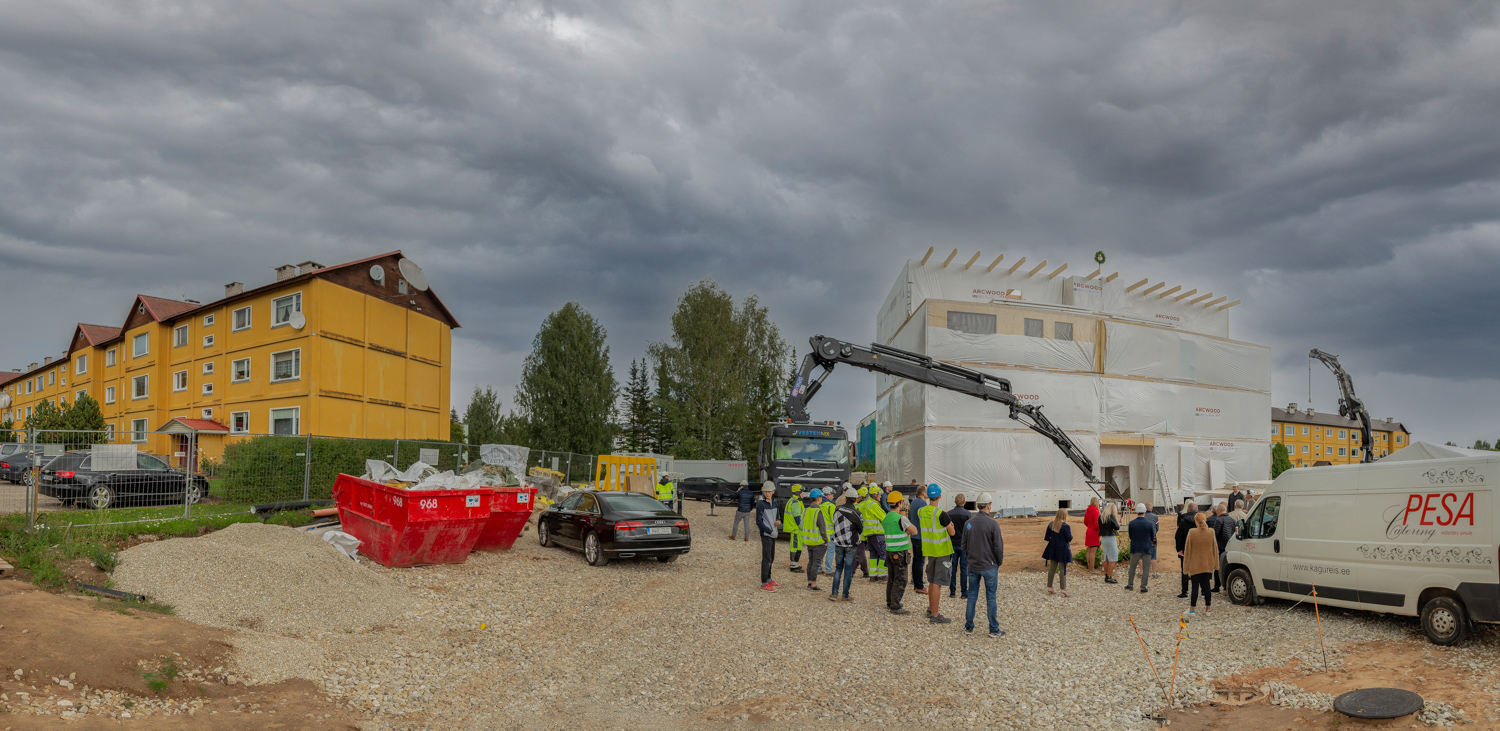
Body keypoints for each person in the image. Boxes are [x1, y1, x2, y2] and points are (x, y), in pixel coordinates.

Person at [962, 492, 1006, 637]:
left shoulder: (969, 523)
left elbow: (964, 545)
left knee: (972, 595)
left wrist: (970, 557)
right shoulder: (993, 524)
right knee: (991, 597)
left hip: (973, 565)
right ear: (988, 506)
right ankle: (993, 629)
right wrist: (998, 562)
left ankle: (968, 627)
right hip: (989, 566)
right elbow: (998, 547)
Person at [916, 484, 957, 624]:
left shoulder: (921, 511)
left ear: (927, 496)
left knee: (932, 581)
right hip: (942, 551)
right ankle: (935, 614)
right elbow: (952, 532)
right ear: (940, 496)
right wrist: (950, 526)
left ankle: (930, 609)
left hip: (929, 550)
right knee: (937, 583)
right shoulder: (941, 514)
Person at [882, 491, 919, 614]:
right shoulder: (901, 518)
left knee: (892, 578)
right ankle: (895, 606)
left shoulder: (886, 517)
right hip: (900, 553)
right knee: (901, 579)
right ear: (899, 503)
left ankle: (890, 602)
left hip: (889, 551)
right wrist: (906, 531)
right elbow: (914, 531)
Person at [830, 487, 864, 602]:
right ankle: (845, 595)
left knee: (838, 568)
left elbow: (834, 524)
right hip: (850, 545)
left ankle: (834, 593)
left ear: (845, 498)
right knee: (848, 570)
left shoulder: (837, 509)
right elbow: (860, 529)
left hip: (838, 543)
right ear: (855, 499)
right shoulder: (856, 513)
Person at [1184, 511, 1218, 616]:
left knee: (1195, 587)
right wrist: (1216, 564)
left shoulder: (1192, 532)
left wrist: (1185, 568)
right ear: (1205, 520)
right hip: (1208, 563)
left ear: (1196, 521)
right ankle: (1208, 609)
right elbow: (1215, 549)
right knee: (1207, 586)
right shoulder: (1211, 532)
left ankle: (1192, 610)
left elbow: (1187, 551)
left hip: (1195, 564)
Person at [800, 488, 830, 591]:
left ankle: (809, 582)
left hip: (809, 541)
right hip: (818, 541)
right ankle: (813, 584)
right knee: (816, 563)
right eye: (821, 497)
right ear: (818, 498)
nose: (821, 499)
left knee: (811, 561)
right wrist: (826, 540)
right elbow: (822, 528)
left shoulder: (807, 510)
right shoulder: (818, 511)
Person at [1123, 503, 1156, 593]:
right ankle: (1143, 587)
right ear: (1145, 511)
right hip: (1146, 548)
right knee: (1146, 568)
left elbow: (1131, 536)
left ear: (1136, 512)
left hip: (1135, 547)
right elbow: (1152, 536)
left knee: (1132, 567)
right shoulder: (1149, 523)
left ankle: (1130, 585)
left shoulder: (1132, 523)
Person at [755, 482, 782, 592]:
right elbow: (759, 522)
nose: (767, 493)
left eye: (769, 491)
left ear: (773, 491)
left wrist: (778, 522)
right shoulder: (761, 504)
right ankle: (764, 583)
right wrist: (769, 531)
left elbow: (777, 517)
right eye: (765, 491)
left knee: (771, 557)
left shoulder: (775, 503)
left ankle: (769, 579)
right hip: (767, 534)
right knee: (766, 559)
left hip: (773, 533)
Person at [858, 487, 888, 581]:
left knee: (873, 555)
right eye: (879, 494)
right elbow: (884, 518)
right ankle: (882, 575)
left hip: (869, 534)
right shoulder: (873, 505)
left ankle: (873, 575)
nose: (880, 496)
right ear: (875, 495)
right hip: (877, 533)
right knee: (884, 554)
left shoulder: (866, 503)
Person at [1042, 508, 1073, 597]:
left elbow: (1047, 538)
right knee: (1062, 569)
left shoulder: (1051, 524)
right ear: (1064, 515)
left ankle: (1050, 586)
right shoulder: (1065, 526)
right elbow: (1069, 538)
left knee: (1052, 568)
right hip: (1063, 549)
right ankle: (1063, 589)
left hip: (1053, 549)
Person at [947, 493, 972, 599]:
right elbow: (970, 529)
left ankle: (952, 591)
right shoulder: (967, 514)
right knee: (964, 568)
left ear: (955, 502)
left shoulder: (949, 514)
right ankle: (964, 592)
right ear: (964, 502)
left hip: (952, 544)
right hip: (963, 545)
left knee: (952, 568)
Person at [1208, 502, 1235, 592]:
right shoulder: (1232, 520)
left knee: (1218, 567)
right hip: (1230, 546)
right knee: (1228, 565)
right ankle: (1225, 586)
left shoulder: (1219, 520)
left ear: (1219, 511)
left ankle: (1217, 586)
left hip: (1220, 546)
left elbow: (1215, 533)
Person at [1175, 501, 1199, 599]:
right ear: (1197, 510)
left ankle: (1184, 592)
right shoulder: (1200, 521)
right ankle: (1199, 591)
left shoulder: (1183, 520)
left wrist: (1179, 549)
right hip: (1198, 549)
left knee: (1184, 570)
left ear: (1188, 510)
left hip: (1185, 549)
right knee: (1198, 570)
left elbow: (1178, 536)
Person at [908, 485, 928, 593]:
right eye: (927, 491)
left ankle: (916, 582)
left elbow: (910, 517)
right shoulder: (923, 503)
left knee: (916, 560)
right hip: (920, 536)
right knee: (920, 561)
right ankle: (920, 586)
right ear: (923, 493)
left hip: (914, 535)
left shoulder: (914, 502)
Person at [1097, 501, 1121, 584]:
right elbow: (1117, 527)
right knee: (1114, 558)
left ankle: (1107, 576)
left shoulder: (1101, 517)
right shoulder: (1111, 516)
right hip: (1111, 538)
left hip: (1104, 538)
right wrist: (1118, 524)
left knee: (1106, 557)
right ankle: (1109, 577)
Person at [785, 486, 806, 573]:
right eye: (802, 492)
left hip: (796, 529)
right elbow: (797, 518)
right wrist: (802, 528)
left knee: (797, 546)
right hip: (796, 529)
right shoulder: (795, 503)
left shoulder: (794, 501)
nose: (803, 494)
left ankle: (795, 563)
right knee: (795, 547)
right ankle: (793, 566)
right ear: (798, 494)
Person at [820, 486, 840, 575]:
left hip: (820, 532)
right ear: (827, 495)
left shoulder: (819, 505)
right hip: (830, 532)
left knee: (820, 551)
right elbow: (834, 520)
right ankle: (829, 570)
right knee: (830, 551)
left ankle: (819, 569)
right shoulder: (831, 506)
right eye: (831, 495)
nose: (832, 497)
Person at [1083, 497, 1101, 573]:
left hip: (1089, 530)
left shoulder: (1087, 511)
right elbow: (1097, 524)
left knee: (1089, 550)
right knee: (1093, 551)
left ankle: (1089, 568)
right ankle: (1092, 569)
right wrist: (1100, 529)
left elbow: (1085, 522)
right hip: (1094, 531)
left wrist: (1090, 526)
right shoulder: (1096, 511)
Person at [1144, 502, 1160, 577]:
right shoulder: (1155, 517)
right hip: (1152, 537)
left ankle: (1142, 573)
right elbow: (1157, 528)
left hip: (1143, 538)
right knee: (1153, 556)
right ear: (1151, 508)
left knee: (1142, 556)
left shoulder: (1142, 516)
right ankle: (1154, 573)